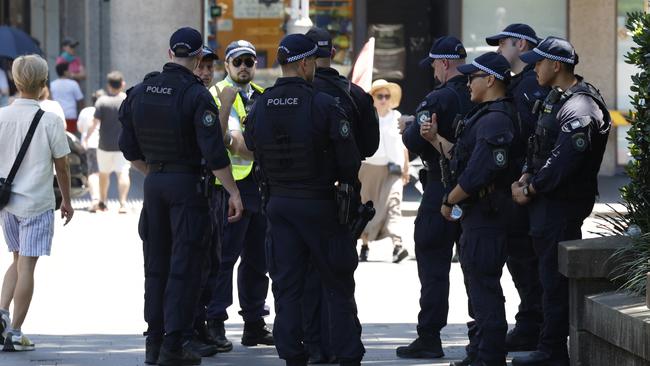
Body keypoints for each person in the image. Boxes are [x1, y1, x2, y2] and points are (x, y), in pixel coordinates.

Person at [118, 26, 243, 366]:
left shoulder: (139, 92)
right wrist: (233, 191)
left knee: (155, 266)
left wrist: (157, 174)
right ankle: (174, 345)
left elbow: (129, 151)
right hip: (188, 188)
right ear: (199, 56)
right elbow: (215, 153)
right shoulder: (195, 95)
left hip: (154, 186)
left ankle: (153, 343)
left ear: (170, 53)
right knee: (185, 268)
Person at [243, 33, 364, 366]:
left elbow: (252, 147)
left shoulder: (261, 104)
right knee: (337, 283)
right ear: (307, 63)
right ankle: (348, 354)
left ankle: (293, 354)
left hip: (278, 204)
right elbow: (350, 161)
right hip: (319, 203)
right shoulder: (323, 103)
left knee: (286, 286)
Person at [510, 37, 611, 366]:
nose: (533, 68)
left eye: (538, 63)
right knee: (545, 276)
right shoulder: (556, 99)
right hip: (546, 204)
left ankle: (552, 352)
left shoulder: (581, 106)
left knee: (553, 282)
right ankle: (546, 344)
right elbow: (537, 143)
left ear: (556, 65)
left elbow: (564, 160)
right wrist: (526, 175)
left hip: (560, 206)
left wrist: (531, 188)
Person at [424, 52, 518, 366]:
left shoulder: (496, 119)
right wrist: (436, 139)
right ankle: (480, 351)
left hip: (488, 215)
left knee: (485, 288)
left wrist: (450, 199)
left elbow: (479, 173)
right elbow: (462, 157)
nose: (467, 84)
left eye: (472, 78)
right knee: (477, 286)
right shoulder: (484, 115)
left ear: (490, 80)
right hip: (477, 215)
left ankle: (490, 357)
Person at [302, 28, 379, 363]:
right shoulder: (356, 95)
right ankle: (345, 350)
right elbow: (370, 147)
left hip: (298, 196)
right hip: (342, 194)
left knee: (305, 279)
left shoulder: (295, 93)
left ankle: (315, 348)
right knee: (338, 279)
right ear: (333, 52)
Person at [397, 36, 473, 360]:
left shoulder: (437, 98)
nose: (432, 71)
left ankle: (429, 337)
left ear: (443, 63)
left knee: (433, 269)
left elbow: (413, 142)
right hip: (475, 190)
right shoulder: (480, 92)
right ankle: (480, 337)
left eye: (433, 65)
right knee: (477, 270)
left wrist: (411, 128)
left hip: (439, 188)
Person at [0, 54, 74, 352]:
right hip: (38, 203)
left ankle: (2, 316)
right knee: (28, 265)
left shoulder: (1, 116)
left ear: (15, 81)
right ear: (44, 84)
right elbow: (63, 167)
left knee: (17, 260)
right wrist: (67, 201)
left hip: (6, 203)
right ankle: (15, 333)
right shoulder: (51, 120)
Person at [205, 39, 273, 350]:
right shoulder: (218, 94)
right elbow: (232, 142)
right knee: (225, 258)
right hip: (228, 186)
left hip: (258, 184)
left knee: (258, 258)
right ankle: (215, 321)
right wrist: (264, 150)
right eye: (238, 62)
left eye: (250, 61)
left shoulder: (262, 96)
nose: (244, 66)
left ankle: (254, 324)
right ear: (227, 66)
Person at [486, 23, 549, 352]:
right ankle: (532, 322)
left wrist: (524, 178)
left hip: (523, 186)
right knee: (524, 258)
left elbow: (528, 139)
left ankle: (532, 324)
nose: (499, 51)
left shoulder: (527, 86)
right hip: (523, 184)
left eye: (502, 45)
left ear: (521, 44)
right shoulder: (524, 83)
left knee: (524, 258)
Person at [358, 79, 409, 262]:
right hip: (369, 168)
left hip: (393, 169)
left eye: (387, 96)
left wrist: (406, 167)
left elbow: (403, 145)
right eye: (380, 96)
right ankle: (364, 246)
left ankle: (398, 245)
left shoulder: (397, 116)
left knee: (393, 204)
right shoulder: (366, 117)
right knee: (367, 207)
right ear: (373, 97)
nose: (384, 100)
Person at [85, 71, 130, 213]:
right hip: (123, 145)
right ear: (122, 84)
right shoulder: (127, 100)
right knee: (122, 173)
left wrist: (86, 137)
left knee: (104, 174)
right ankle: (123, 204)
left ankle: (103, 201)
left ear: (109, 85)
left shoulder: (101, 101)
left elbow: (95, 123)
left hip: (104, 145)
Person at [77, 89, 105, 212]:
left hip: (90, 145)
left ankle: (95, 199)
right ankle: (102, 201)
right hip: (105, 145)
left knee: (92, 172)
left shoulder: (85, 111)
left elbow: (80, 127)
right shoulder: (107, 110)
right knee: (103, 173)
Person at [50, 62, 84, 134]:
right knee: (71, 140)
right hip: (71, 116)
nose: (70, 72)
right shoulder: (73, 84)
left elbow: (50, 99)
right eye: (69, 70)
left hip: (56, 116)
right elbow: (80, 100)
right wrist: (81, 115)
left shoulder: (52, 85)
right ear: (65, 72)